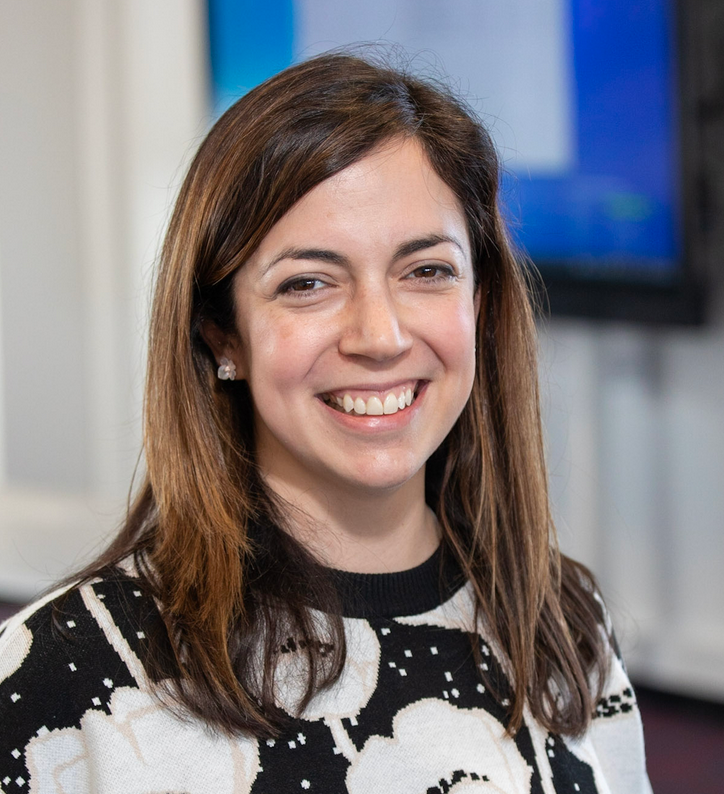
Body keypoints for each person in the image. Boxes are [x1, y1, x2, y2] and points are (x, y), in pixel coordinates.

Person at [0, 52, 651, 793]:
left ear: (481, 302)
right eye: (307, 283)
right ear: (223, 336)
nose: (379, 336)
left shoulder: (562, 621)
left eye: (426, 271)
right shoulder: (63, 678)